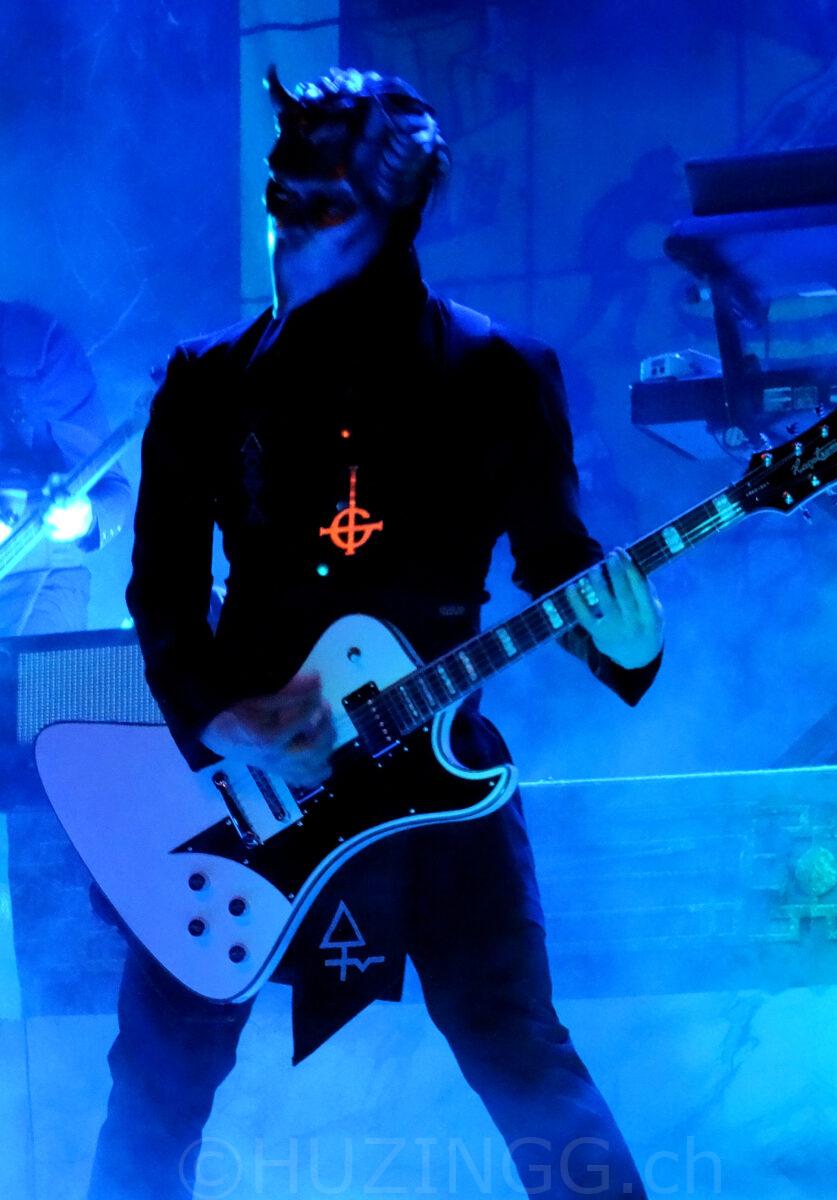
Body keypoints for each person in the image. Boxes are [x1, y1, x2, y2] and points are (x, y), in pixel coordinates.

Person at [94, 66, 664, 1200]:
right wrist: (223, 719)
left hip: (438, 774)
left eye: (324, 206)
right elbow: (160, 594)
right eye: (280, 197)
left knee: (521, 1051)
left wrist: (628, 642)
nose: (287, 227)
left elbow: (559, 566)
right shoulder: (205, 382)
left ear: (396, 208)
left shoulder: (498, 373)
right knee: (154, 1087)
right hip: (247, 789)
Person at [0, 300, 130, 637]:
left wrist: (83, 517)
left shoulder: (39, 344)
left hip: (34, 580)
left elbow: (113, 494)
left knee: (27, 671)